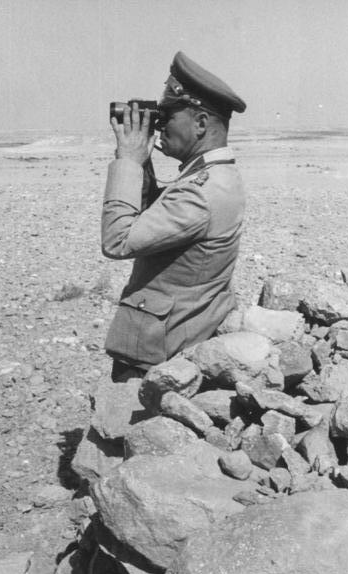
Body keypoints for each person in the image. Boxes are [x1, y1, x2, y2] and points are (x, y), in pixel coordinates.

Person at [101, 51, 247, 382]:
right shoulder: (215, 176)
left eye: (168, 115)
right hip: (176, 334)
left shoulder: (200, 191)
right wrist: (143, 161)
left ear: (200, 124)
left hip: (158, 350)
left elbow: (117, 240)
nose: (160, 122)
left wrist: (127, 161)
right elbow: (160, 217)